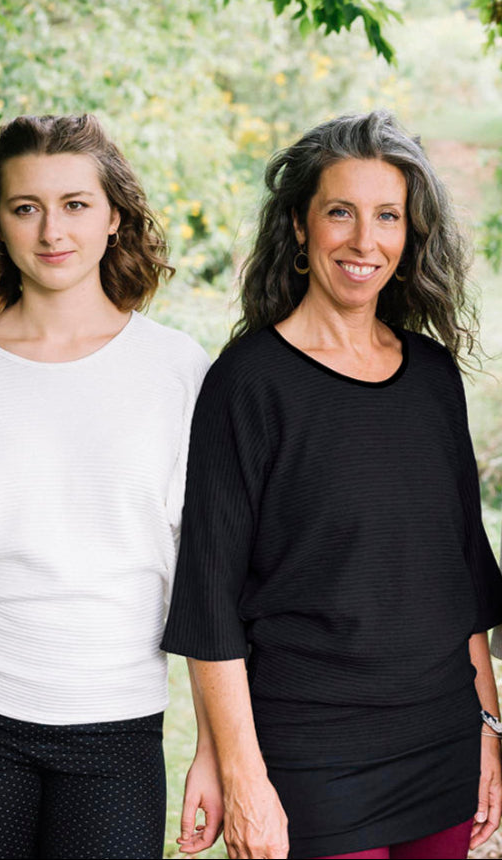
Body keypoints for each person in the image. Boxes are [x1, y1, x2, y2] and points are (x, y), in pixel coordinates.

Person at [0, 114, 211, 860]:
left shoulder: (178, 370)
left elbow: (205, 577)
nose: (52, 230)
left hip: (118, 723)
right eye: (26, 207)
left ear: (115, 217)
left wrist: (213, 749)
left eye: (76, 204)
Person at [162, 111, 502, 860]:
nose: (364, 240)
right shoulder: (247, 383)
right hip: (309, 756)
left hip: (441, 741)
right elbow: (210, 598)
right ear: (299, 225)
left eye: (388, 217)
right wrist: (241, 773)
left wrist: (489, 730)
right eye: (340, 212)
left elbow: (463, 579)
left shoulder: (434, 377)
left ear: (409, 236)